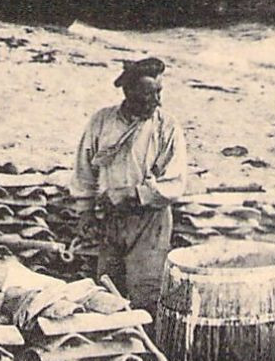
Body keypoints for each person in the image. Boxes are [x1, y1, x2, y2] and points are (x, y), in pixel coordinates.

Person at [71, 57, 189, 314]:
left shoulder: (166, 128)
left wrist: (132, 194)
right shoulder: (102, 122)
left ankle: (149, 353)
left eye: (159, 92)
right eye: (149, 94)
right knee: (106, 290)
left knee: (146, 293)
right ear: (129, 92)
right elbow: (84, 170)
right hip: (111, 222)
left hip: (149, 223)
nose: (157, 100)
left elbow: (175, 182)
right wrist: (86, 212)